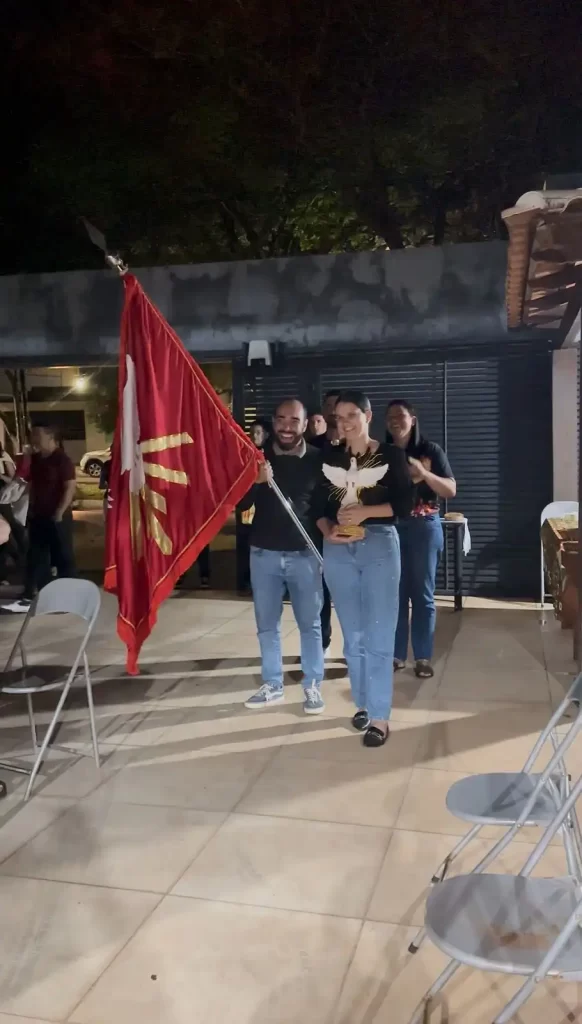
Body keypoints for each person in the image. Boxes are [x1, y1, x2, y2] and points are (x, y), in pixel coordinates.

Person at [316, 390, 414, 747]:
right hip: (339, 549)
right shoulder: (329, 457)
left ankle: (380, 717)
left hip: (379, 546)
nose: (344, 423)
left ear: (367, 416)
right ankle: (362, 703)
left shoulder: (391, 455)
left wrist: (365, 513)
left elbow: (405, 503)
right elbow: (316, 506)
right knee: (353, 635)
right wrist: (328, 531)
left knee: (379, 633)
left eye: (351, 415)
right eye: (338, 417)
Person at [240, 398, 325, 714]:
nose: (286, 427)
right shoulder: (255, 458)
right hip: (263, 554)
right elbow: (238, 504)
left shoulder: (318, 459)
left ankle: (312, 685)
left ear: (305, 423)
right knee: (267, 625)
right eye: (281, 419)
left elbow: (324, 507)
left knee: (310, 624)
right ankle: (273, 685)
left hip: (304, 555)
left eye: (294, 420)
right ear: (273, 422)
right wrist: (255, 481)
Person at [386, 399, 456, 679]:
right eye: (390, 416)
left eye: (400, 415)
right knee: (396, 594)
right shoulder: (383, 452)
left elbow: (450, 489)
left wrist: (425, 474)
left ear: (412, 419)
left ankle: (423, 657)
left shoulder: (430, 451)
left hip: (424, 526)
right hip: (392, 527)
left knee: (423, 594)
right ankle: (396, 655)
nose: (395, 420)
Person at [3, 424, 77, 613]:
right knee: (36, 557)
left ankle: (70, 598)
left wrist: (60, 511)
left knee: (63, 558)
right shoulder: (35, 460)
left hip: (58, 517)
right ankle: (37, 594)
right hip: (38, 516)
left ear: (51, 437)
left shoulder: (62, 460)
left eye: (38, 435)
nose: (33, 438)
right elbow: (25, 480)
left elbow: (69, 488)